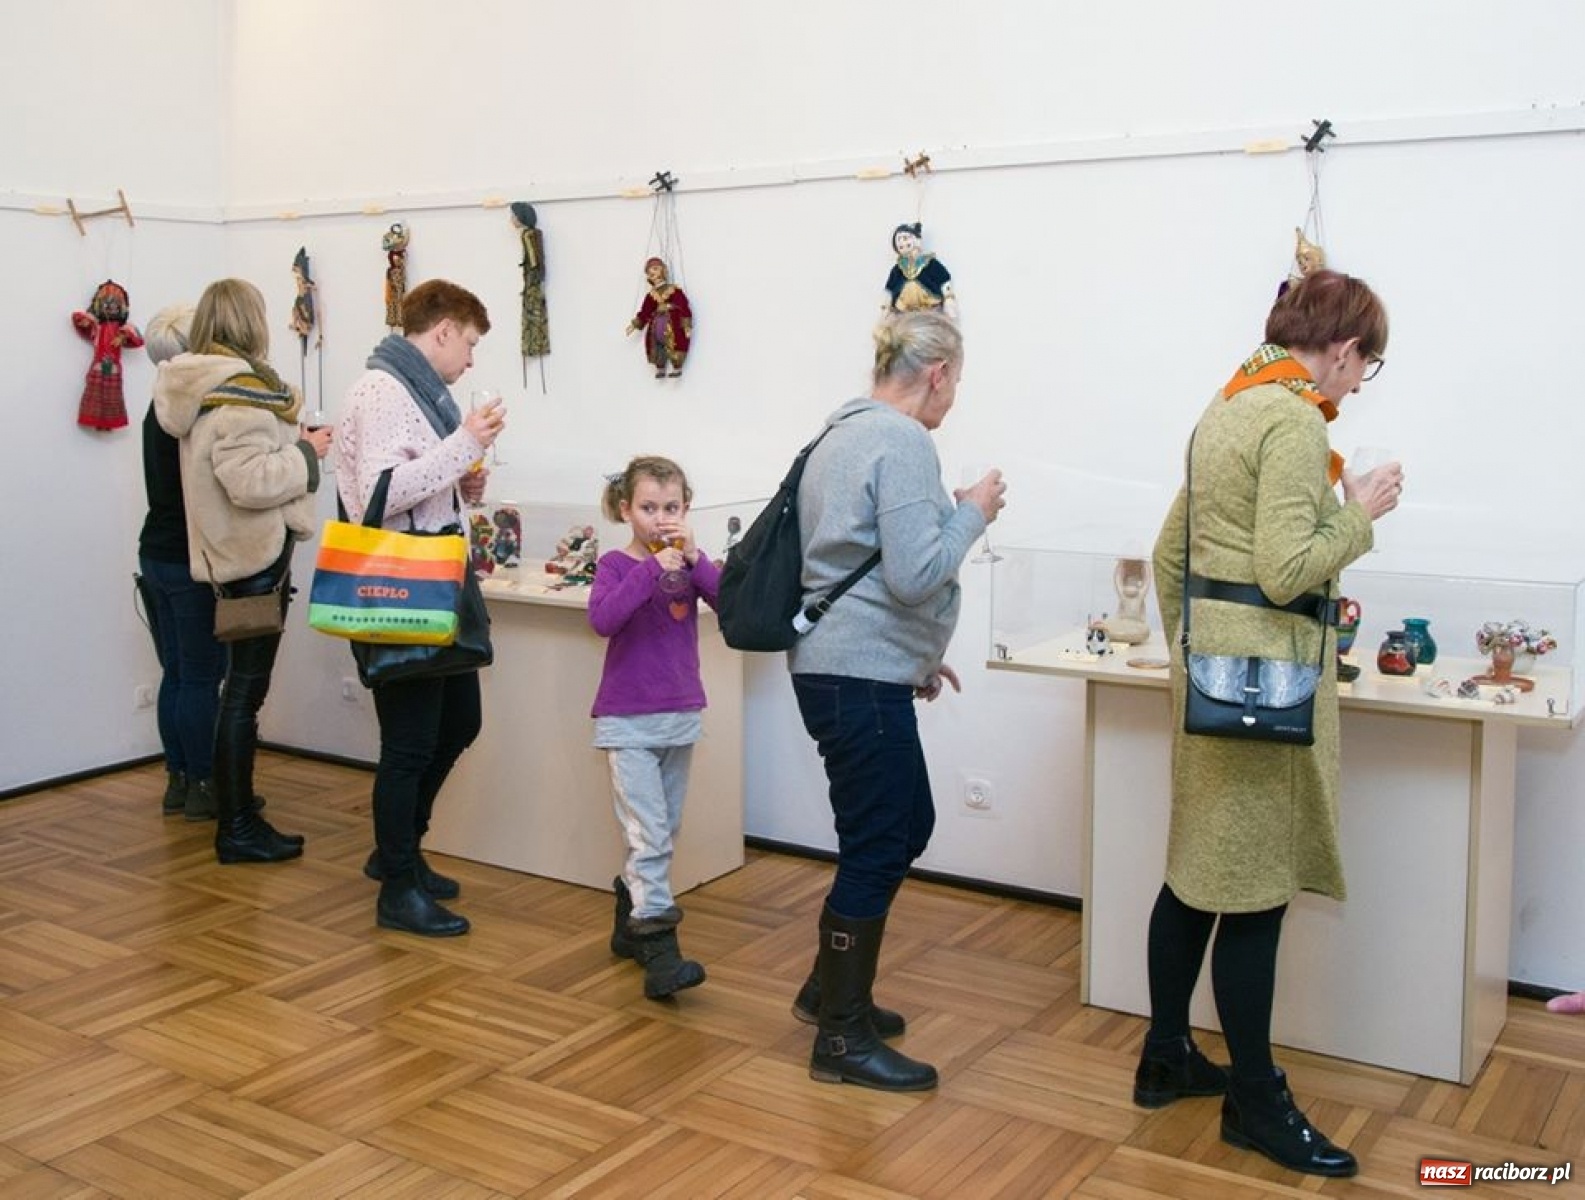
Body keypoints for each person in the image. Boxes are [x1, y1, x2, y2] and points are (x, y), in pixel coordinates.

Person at [1139, 269, 1402, 1178]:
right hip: (1266, 699)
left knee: (1192, 877)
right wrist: (1357, 514)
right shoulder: (1292, 420)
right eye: (1364, 365)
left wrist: (1192, 661)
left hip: (1212, 689)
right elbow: (1290, 567)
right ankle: (1255, 1100)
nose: (1357, 384)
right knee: (1251, 896)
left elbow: (1170, 554)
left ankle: (1164, 1056)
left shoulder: (1226, 407)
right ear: (1340, 349)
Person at [788, 309, 1005, 1092]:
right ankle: (840, 1039)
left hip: (843, 669)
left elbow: (868, 565)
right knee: (881, 842)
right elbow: (917, 574)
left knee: (901, 825)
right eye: (957, 383)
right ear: (938, 373)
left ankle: (828, 992)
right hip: (855, 675)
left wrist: (909, 658)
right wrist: (972, 510)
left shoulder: (837, 433)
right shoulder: (903, 440)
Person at [336, 279, 504, 938]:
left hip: (435, 584)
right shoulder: (380, 391)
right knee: (407, 746)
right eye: (467, 342)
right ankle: (397, 884)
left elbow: (416, 479)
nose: (468, 360)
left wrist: (462, 477)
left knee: (459, 722)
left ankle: (398, 849)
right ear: (441, 330)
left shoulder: (414, 393)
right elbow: (376, 498)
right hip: (404, 587)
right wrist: (462, 445)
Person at [154, 279, 327, 863]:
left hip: (231, 559)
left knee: (236, 695)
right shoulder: (238, 395)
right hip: (253, 561)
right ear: (250, 324)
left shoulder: (198, 388)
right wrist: (307, 454)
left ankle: (240, 814)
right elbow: (249, 482)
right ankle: (237, 827)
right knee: (243, 699)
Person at [589, 455, 721, 999]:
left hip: (679, 716)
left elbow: (728, 600)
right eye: (648, 508)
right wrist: (651, 565)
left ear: (686, 510)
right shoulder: (617, 566)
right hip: (627, 723)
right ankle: (662, 955)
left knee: (663, 832)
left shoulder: (689, 564)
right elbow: (604, 620)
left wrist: (692, 557)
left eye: (671, 507)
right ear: (626, 510)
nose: (659, 518)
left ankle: (629, 921)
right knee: (648, 838)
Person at [137, 304, 226, 822]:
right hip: (187, 558)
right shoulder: (190, 411)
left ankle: (179, 779)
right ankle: (204, 784)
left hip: (156, 553)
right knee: (198, 676)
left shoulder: (158, 405)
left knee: (176, 673)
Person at [625, 257, 691, 377]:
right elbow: (645, 312)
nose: (652, 272)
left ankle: (677, 367)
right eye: (649, 271)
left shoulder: (673, 290)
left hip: (672, 323)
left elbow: (683, 306)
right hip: (656, 326)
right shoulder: (651, 295)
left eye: (655, 269)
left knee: (675, 343)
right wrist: (634, 325)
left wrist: (686, 325)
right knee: (657, 344)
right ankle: (660, 367)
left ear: (663, 271)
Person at [882, 223, 958, 322]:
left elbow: (943, 279)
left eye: (905, 238)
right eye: (899, 241)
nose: (903, 243)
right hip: (905, 312)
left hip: (930, 307)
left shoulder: (929, 263)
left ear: (918, 240)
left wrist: (948, 299)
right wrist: (886, 308)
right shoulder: (898, 268)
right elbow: (889, 289)